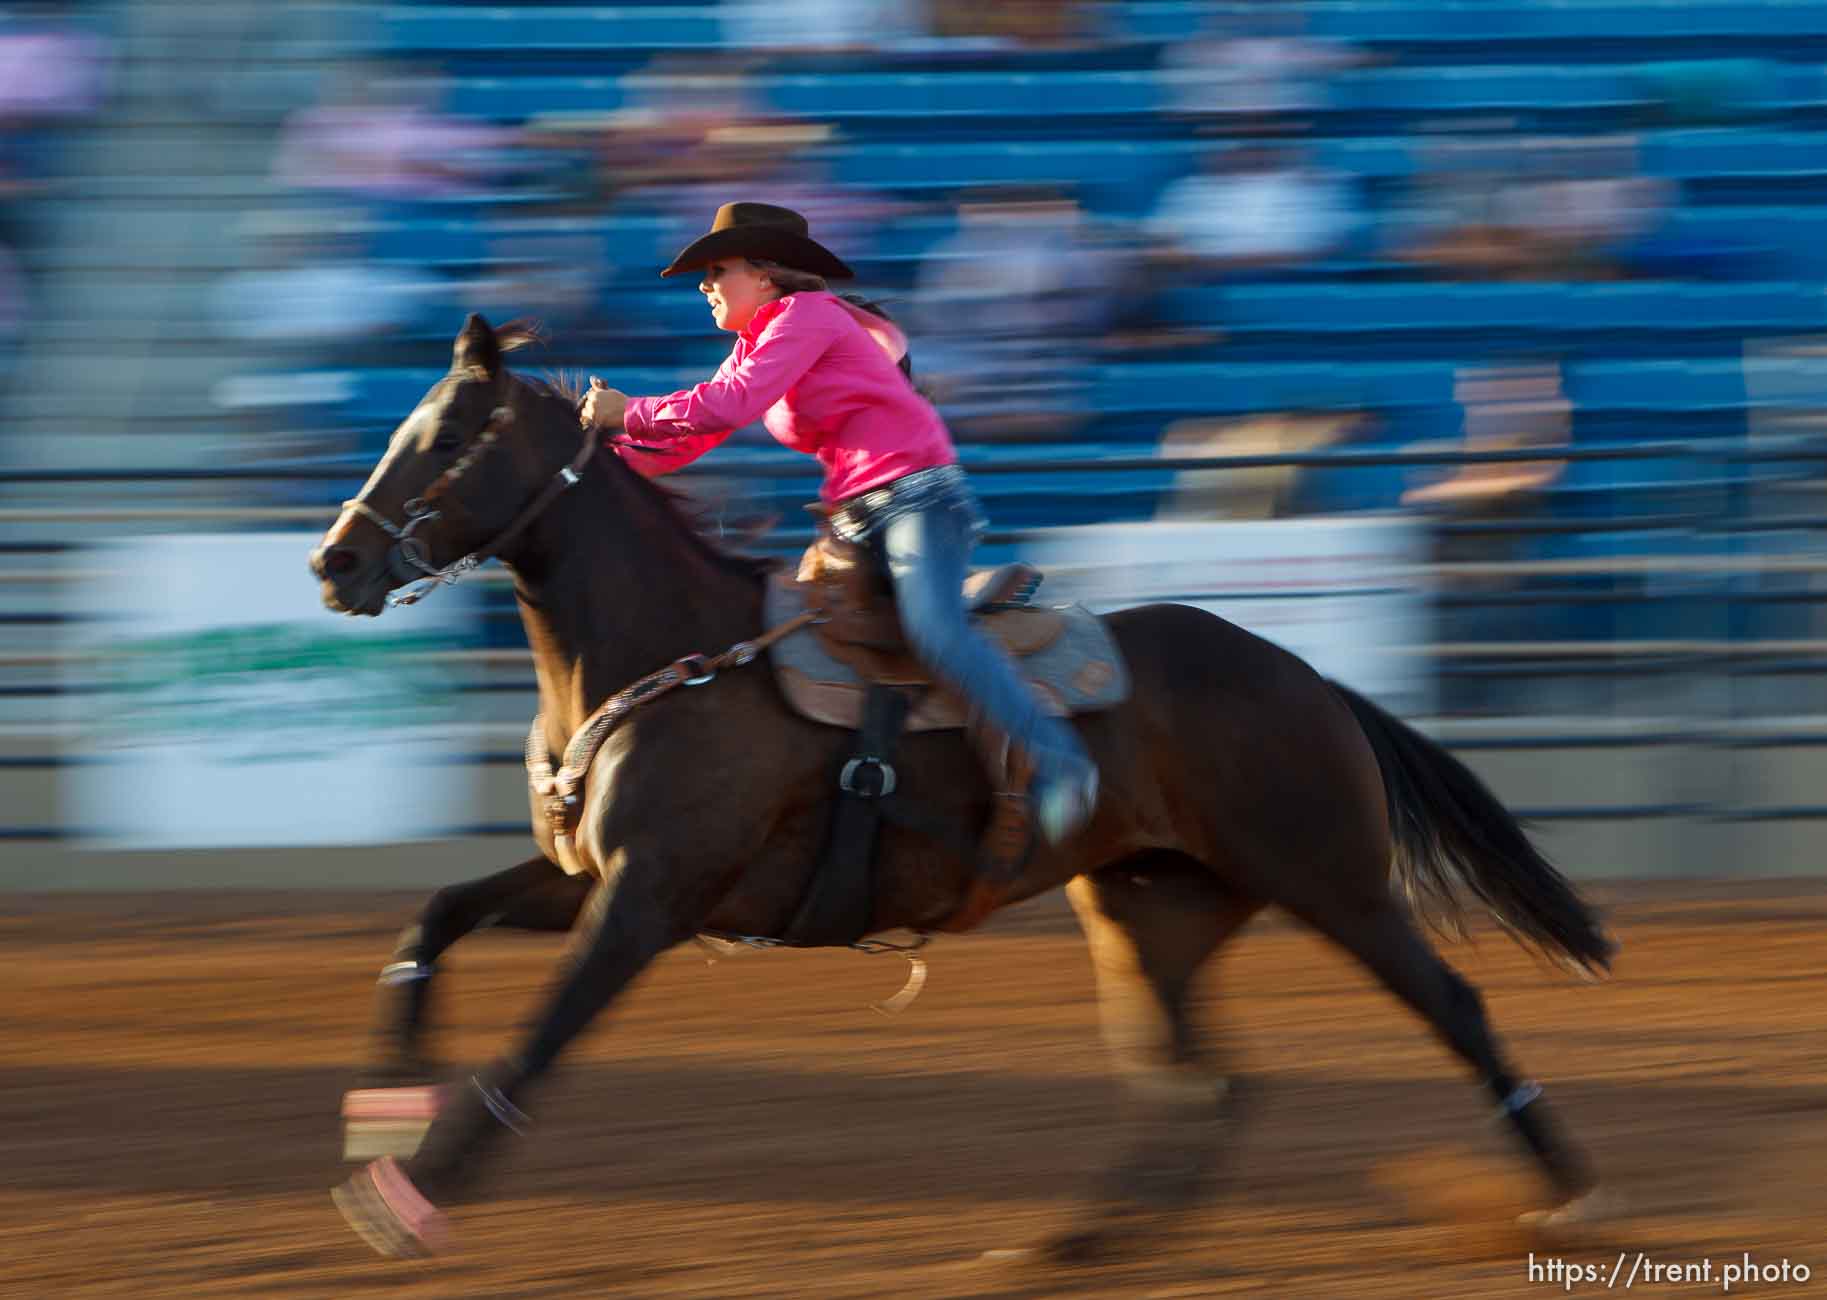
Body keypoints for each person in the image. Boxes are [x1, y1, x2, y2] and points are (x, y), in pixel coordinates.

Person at [579, 202, 1099, 844]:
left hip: (917, 499)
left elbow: (727, 407)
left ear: (766, 274)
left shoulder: (807, 315)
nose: (704, 285)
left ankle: (1062, 763)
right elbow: (692, 437)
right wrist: (591, 469)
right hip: (856, 515)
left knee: (934, 630)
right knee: (793, 638)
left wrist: (627, 411)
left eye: (718, 270)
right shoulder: (761, 338)